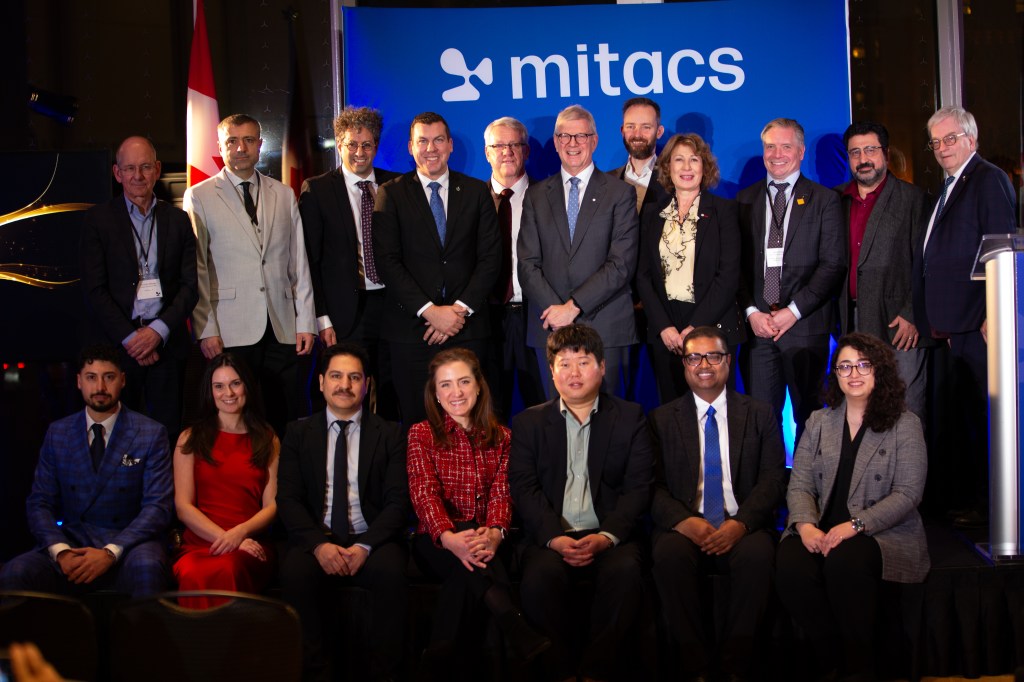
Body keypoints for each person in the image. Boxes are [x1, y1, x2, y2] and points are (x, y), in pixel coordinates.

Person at [776, 332, 929, 680]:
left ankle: (860, 666)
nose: (854, 373)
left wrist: (855, 525)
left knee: (845, 563)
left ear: (880, 371)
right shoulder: (818, 422)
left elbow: (908, 494)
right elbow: (799, 484)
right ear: (836, 374)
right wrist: (805, 525)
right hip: (822, 526)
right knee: (790, 566)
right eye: (845, 366)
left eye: (863, 364)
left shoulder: (905, 424)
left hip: (881, 532)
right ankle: (834, 658)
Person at [509, 324, 654, 682]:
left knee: (625, 574)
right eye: (564, 364)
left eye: (584, 362)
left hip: (608, 534)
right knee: (539, 579)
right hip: (551, 536)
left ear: (602, 367)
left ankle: (596, 670)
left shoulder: (631, 417)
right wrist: (553, 537)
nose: (574, 373)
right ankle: (560, 671)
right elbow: (524, 488)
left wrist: (607, 536)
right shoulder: (529, 422)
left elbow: (639, 487)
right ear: (551, 371)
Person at [649, 326, 785, 681]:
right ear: (684, 364)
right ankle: (696, 665)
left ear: (728, 360)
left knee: (758, 556)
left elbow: (773, 479)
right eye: (693, 357)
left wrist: (740, 524)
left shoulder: (760, 413)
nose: (703, 364)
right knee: (668, 556)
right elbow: (650, 486)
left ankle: (734, 666)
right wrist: (684, 522)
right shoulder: (661, 419)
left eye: (713, 356)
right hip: (686, 520)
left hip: (742, 519)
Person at [407, 348, 549, 676]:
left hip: (486, 540)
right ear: (435, 393)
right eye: (445, 385)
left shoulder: (503, 437)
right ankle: (514, 628)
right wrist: (449, 536)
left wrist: (497, 532)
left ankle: (436, 658)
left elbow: (502, 493)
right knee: (476, 563)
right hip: (435, 539)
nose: (456, 392)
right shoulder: (422, 433)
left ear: (479, 386)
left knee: (468, 571)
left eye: (463, 382)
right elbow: (423, 494)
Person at [276, 343, 409, 682]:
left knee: (393, 572)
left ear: (367, 384)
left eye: (354, 377)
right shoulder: (296, 433)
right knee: (294, 573)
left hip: (372, 539)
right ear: (320, 382)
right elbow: (288, 500)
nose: (344, 385)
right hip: (316, 538)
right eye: (336, 376)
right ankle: (316, 673)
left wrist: (365, 546)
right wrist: (318, 545)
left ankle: (385, 674)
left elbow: (398, 502)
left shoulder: (391, 434)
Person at [912, 106, 1018, 526]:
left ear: (971, 140)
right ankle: (978, 504)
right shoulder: (950, 185)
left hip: (981, 324)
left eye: (950, 139)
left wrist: (994, 311)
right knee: (969, 419)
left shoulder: (988, 179)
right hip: (956, 324)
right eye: (936, 142)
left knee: (987, 421)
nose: (942, 148)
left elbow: (1001, 248)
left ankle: (995, 510)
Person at [0, 345, 173, 598]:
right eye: (91, 377)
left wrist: (110, 552)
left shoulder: (150, 432)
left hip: (130, 543)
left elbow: (158, 507)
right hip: (72, 541)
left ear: (122, 381)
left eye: (109, 377)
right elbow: (39, 502)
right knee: (17, 571)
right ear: (79, 381)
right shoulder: (58, 432)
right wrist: (61, 551)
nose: (100, 387)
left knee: (146, 568)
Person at [185, 113, 316, 435]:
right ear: (220, 147)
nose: (240, 148)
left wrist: (306, 321)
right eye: (232, 141)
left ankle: (285, 484)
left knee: (285, 415)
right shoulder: (200, 195)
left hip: (282, 325)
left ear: (260, 145)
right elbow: (198, 268)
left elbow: (298, 262)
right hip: (230, 328)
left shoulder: (283, 193)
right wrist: (206, 328)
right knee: (239, 421)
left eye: (248, 140)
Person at [373, 111, 501, 425]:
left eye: (438, 140)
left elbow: (490, 258)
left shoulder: (476, 192)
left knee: (473, 422)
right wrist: (431, 311)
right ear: (410, 147)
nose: (431, 148)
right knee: (420, 423)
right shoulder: (391, 193)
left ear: (450, 145)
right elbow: (387, 262)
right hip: (412, 332)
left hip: (467, 329)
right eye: (423, 141)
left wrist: (457, 311)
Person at [79, 136, 198, 442]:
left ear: (157, 170)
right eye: (130, 168)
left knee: (167, 433)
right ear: (117, 173)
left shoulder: (179, 220)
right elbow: (95, 290)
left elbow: (189, 287)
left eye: (145, 167)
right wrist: (133, 339)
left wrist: (156, 332)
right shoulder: (97, 221)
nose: (138, 176)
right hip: (117, 348)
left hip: (167, 348)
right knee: (116, 436)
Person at [518, 105, 640, 399]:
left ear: (594, 140)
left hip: (607, 328)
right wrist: (557, 313)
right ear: (556, 142)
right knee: (557, 430)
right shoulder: (535, 196)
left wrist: (573, 307)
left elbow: (621, 264)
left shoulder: (620, 193)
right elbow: (527, 264)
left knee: (611, 427)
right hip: (550, 329)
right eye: (565, 136)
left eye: (581, 136)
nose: (573, 144)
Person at [737, 117, 845, 438]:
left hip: (805, 326)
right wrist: (751, 312)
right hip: (758, 329)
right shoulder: (743, 201)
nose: (776, 154)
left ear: (801, 152)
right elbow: (734, 267)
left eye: (786, 146)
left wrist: (792, 311)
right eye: (770, 147)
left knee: (809, 421)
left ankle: (806, 487)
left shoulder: (825, 200)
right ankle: (770, 488)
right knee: (761, 421)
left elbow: (832, 265)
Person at [299, 106, 401, 421]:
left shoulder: (395, 185)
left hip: (392, 307)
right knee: (344, 394)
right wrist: (322, 319)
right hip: (344, 314)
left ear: (376, 146)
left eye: (367, 145)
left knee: (390, 391)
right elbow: (309, 262)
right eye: (351, 145)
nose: (359, 152)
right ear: (340, 145)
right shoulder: (317, 189)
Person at [636, 133, 744, 402]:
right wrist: (664, 327)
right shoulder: (652, 213)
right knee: (672, 410)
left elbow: (728, 276)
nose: (686, 167)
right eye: (679, 160)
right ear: (667, 168)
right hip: (666, 331)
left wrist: (695, 328)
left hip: (713, 325)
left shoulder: (724, 211)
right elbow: (643, 275)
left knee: (715, 408)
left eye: (693, 160)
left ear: (704, 167)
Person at [172, 353, 278, 609]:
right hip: (200, 543)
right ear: (210, 391)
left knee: (230, 567)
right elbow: (183, 507)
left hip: (249, 543)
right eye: (218, 386)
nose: (227, 392)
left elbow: (272, 506)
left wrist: (240, 535)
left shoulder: (268, 438)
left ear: (247, 387)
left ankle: (232, 648)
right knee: (193, 572)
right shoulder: (190, 438)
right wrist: (226, 537)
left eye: (235, 383)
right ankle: (198, 648)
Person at [837, 121, 929, 419]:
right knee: (860, 409)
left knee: (906, 408)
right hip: (849, 321)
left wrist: (912, 314)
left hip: (898, 324)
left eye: (870, 150)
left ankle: (909, 468)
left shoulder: (913, 199)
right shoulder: (835, 200)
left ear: (886, 154)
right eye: (854, 152)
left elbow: (925, 263)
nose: (863, 159)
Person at [482, 116, 546, 420]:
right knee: (490, 412)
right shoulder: (471, 199)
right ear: (487, 153)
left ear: (527, 151)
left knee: (545, 408)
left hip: (538, 317)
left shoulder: (549, 197)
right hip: (488, 320)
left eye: (515, 144)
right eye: (498, 145)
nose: (506, 152)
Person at [609, 97, 671, 401]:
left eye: (645, 127)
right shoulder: (604, 183)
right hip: (617, 307)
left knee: (669, 395)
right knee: (619, 398)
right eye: (631, 126)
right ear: (621, 130)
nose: (637, 133)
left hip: (664, 308)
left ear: (659, 132)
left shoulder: (679, 181)